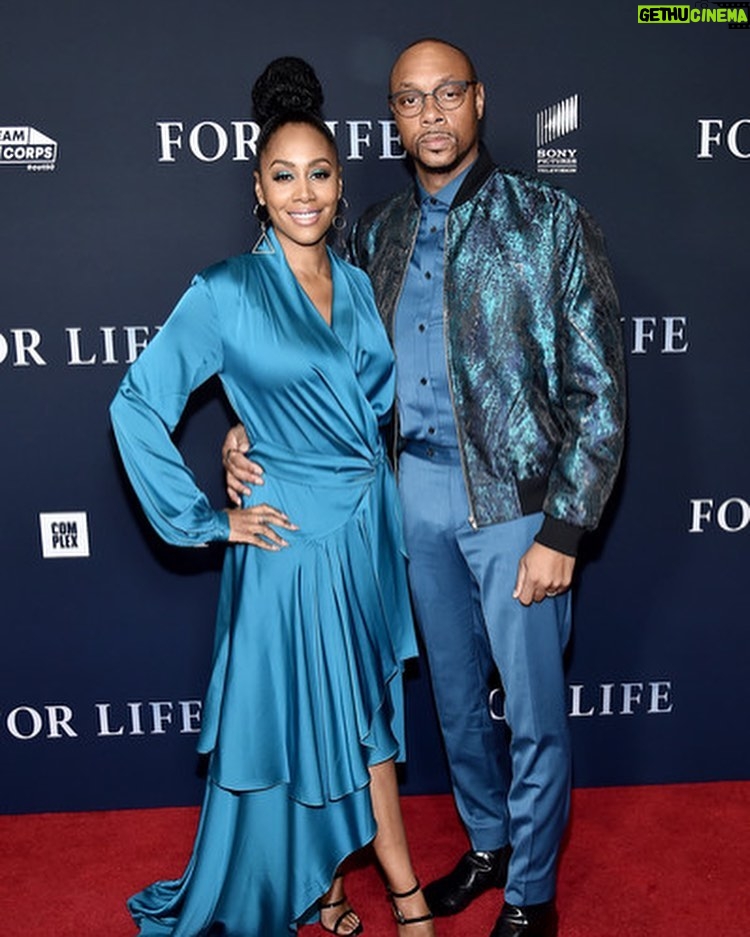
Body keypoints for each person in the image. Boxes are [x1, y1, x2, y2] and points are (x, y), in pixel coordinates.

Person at [224, 39, 626, 937]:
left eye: (449, 94)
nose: (432, 114)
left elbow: (600, 392)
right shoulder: (375, 231)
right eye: (412, 99)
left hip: (518, 511)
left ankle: (532, 893)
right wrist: (250, 422)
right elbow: (306, 343)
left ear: (479, 101)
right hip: (407, 504)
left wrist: (564, 531)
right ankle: (489, 845)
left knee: (533, 717)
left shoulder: (551, 220)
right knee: (452, 703)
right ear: (394, 118)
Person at [111, 57, 436, 937]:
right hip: (289, 541)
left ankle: (327, 884)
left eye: (320, 174)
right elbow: (137, 402)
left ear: (340, 185)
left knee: (357, 707)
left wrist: (248, 428)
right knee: (344, 721)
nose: (304, 193)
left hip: (364, 530)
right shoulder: (225, 290)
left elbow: (358, 409)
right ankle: (406, 894)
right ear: (257, 189)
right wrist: (206, 517)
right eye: (283, 176)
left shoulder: (361, 284)